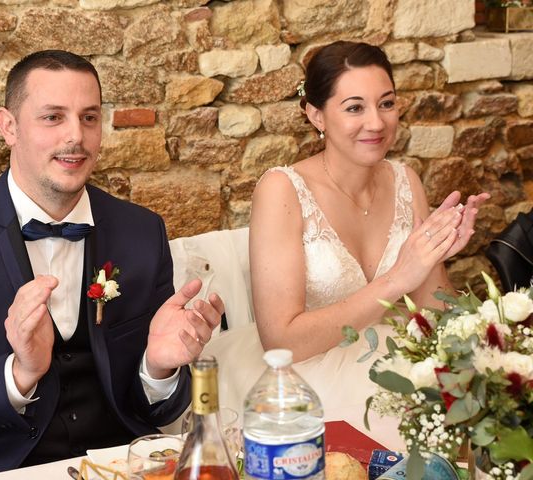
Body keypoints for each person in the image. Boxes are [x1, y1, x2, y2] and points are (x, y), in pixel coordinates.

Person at [0, 50, 223, 480]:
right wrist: (19, 375)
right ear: (8, 126)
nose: (77, 137)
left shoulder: (141, 231)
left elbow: (152, 410)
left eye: (89, 118)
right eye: (53, 117)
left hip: (116, 466)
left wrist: (158, 369)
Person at [203, 41, 489, 421]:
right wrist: (396, 279)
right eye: (355, 107)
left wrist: (438, 255)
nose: (376, 122)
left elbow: (434, 314)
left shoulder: (406, 181)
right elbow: (282, 339)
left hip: (395, 363)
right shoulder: (281, 189)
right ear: (316, 115)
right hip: (304, 378)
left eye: (386, 103)